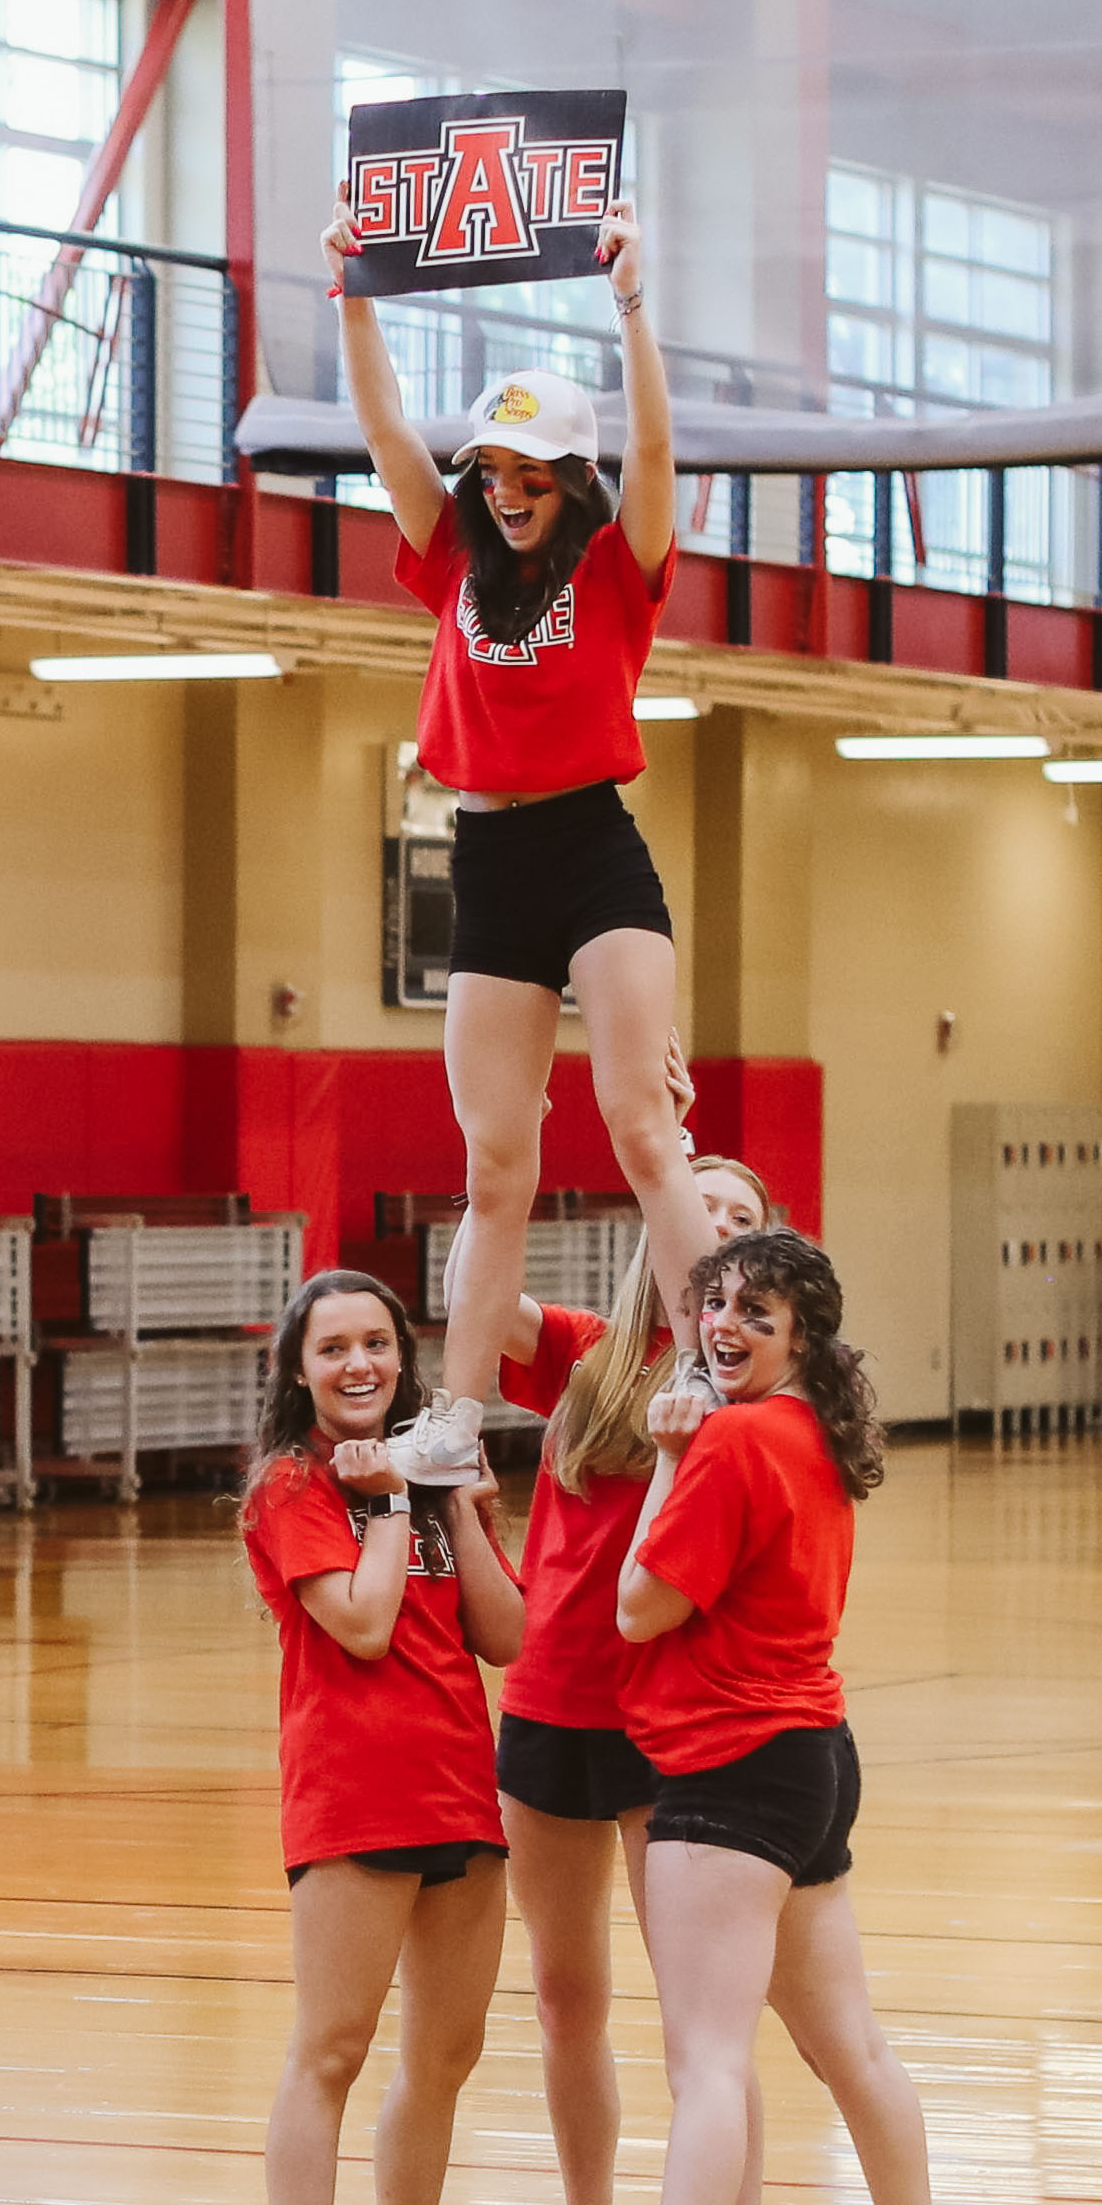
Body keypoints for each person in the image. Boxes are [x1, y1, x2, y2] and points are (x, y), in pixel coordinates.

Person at [527, 1227, 964, 2205]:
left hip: (728, 1772)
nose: (724, 1324)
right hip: (813, 1759)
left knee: (708, 2062)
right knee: (852, 2050)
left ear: (801, 1338)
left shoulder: (728, 1443)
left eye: (755, 1312)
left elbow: (637, 1606)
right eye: (714, 1301)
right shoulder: (812, 1433)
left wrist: (668, 1458)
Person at [325, 206, 720, 1492]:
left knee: (642, 1127)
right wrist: (356, 295)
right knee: (498, 1168)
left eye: (531, 478)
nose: (503, 496)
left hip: (594, 853)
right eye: (493, 474)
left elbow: (660, 444)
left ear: (576, 484)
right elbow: (387, 432)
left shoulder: (618, 569)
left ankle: (703, 1366)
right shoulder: (450, 561)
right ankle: (460, 1409)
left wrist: (633, 306)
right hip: (486, 860)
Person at [488, 1142, 795, 2205]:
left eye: (736, 1215)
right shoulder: (586, 1356)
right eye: (692, 1206)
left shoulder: (754, 1396)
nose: (708, 1229)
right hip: (551, 1707)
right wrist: (497, 1158)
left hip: (674, 1722)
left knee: (701, 2024)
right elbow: (478, 1289)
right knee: (568, 2002)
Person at [240, 1270, 534, 2205]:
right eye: (333, 1350)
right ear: (300, 1371)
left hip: (461, 1785)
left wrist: (453, 1497)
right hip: (355, 1797)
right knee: (332, 2051)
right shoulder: (290, 1487)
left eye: (376, 1345)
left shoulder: (423, 1478)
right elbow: (361, 1627)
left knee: (443, 2057)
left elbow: (505, 1636)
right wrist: (396, 1503)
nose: (358, 1366)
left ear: (403, 1360)